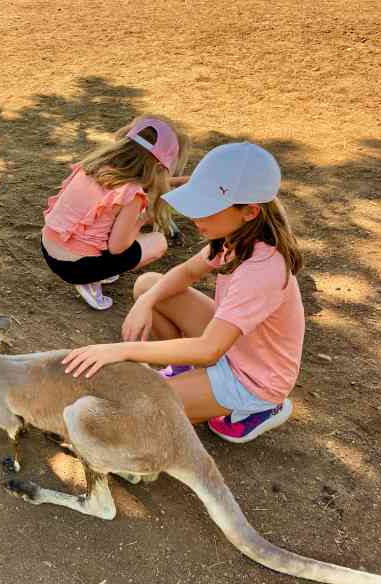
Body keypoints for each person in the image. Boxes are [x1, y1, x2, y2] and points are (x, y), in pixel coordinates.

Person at [62, 142, 305, 443]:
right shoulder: (238, 236)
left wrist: (119, 350)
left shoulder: (262, 268)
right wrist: (146, 302)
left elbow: (208, 349)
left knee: (141, 408)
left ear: (250, 211)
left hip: (252, 378)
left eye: (206, 210)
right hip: (235, 346)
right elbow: (188, 272)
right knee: (148, 285)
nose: (196, 219)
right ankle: (185, 373)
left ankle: (260, 407)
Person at [41, 115, 190, 310]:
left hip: (48, 247)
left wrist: (178, 182)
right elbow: (118, 248)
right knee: (157, 241)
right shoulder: (132, 193)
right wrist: (144, 218)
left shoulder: (93, 166)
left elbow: (134, 187)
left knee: (109, 222)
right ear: (159, 166)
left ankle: (99, 271)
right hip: (74, 268)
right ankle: (92, 280)